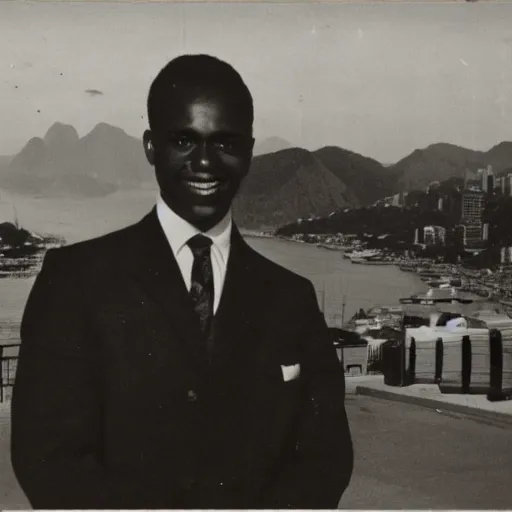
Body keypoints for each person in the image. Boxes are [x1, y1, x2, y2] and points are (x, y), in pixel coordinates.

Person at [11, 54, 353, 509]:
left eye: (225, 144)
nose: (205, 162)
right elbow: (46, 457)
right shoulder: (73, 281)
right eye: (184, 141)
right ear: (152, 147)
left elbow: (324, 459)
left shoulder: (292, 298)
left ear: (249, 153)